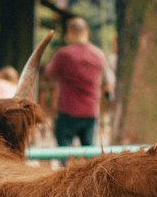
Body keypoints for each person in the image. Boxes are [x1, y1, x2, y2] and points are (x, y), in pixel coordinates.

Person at [44, 16, 112, 148]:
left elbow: (49, 73)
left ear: (69, 33)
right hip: (90, 112)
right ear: (87, 32)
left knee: (65, 154)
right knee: (89, 156)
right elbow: (107, 81)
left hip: (67, 112)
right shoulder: (99, 55)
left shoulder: (63, 54)